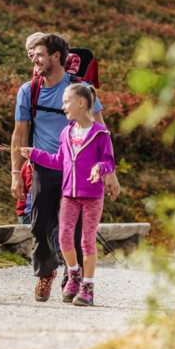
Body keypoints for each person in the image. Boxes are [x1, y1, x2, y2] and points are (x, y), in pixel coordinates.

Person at [10, 33, 120, 303]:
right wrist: (15, 172)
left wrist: (110, 172)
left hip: (81, 170)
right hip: (45, 165)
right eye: (32, 54)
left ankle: (76, 279)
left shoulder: (80, 90)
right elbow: (19, 134)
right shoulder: (29, 90)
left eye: (38, 54)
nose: (33, 59)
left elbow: (100, 130)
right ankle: (47, 270)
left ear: (56, 57)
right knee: (38, 225)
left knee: (78, 229)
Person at [20, 83, 116, 306]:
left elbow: (109, 162)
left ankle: (88, 287)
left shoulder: (101, 134)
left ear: (81, 103)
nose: (62, 106)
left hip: (92, 196)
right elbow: (57, 161)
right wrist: (35, 154)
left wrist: (99, 168)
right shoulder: (66, 132)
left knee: (87, 241)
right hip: (69, 195)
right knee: (63, 237)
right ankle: (74, 274)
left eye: (66, 102)